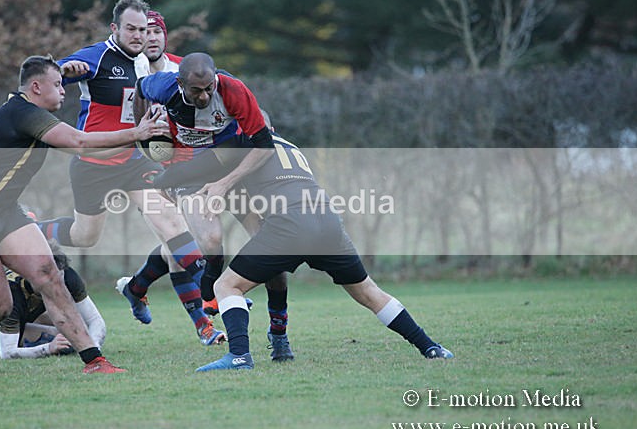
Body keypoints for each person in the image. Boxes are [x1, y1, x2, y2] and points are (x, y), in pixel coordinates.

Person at [0, 54, 167, 374]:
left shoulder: (32, 115)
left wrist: (138, 145)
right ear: (35, 87)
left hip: (4, 212)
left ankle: (94, 361)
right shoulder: (21, 112)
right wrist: (137, 132)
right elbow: (80, 142)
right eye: (58, 85)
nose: (63, 91)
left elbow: (94, 150)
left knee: (50, 275)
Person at [150, 128, 454, 371]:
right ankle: (431, 347)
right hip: (327, 221)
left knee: (226, 286)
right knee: (369, 292)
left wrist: (162, 179)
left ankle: (239, 356)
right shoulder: (289, 145)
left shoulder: (244, 142)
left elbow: (196, 168)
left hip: (290, 225)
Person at [33, 0, 225, 346]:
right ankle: (34, 229)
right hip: (93, 165)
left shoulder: (152, 65)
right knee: (85, 236)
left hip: (135, 161)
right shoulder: (98, 56)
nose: (140, 36)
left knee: (172, 225)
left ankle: (209, 305)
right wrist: (65, 70)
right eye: (133, 29)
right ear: (115, 29)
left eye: (145, 30)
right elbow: (50, 76)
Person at [133, 52, 296, 361]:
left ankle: (279, 332)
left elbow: (264, 144)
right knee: (210, 239)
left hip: (234, 169)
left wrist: (225, 183)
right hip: (191, 173)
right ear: (180, 84)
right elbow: (141, 87)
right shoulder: (164, 86)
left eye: (209, 88)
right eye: (197, 90)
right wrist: (142, 130)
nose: (205, 96)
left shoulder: (232, 90)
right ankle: (210, 291)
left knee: (271, 251)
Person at [0, 241, 105, 360]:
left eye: (56, 277)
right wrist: (48, 348)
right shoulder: (11, 293)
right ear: (30, 274)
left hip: (26, 319)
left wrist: (93, 347)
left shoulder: (67, 276)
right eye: (47, 278)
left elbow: (94, 320)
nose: (53, 283)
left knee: (79, 333)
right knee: (65, 345)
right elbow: (7, 353)